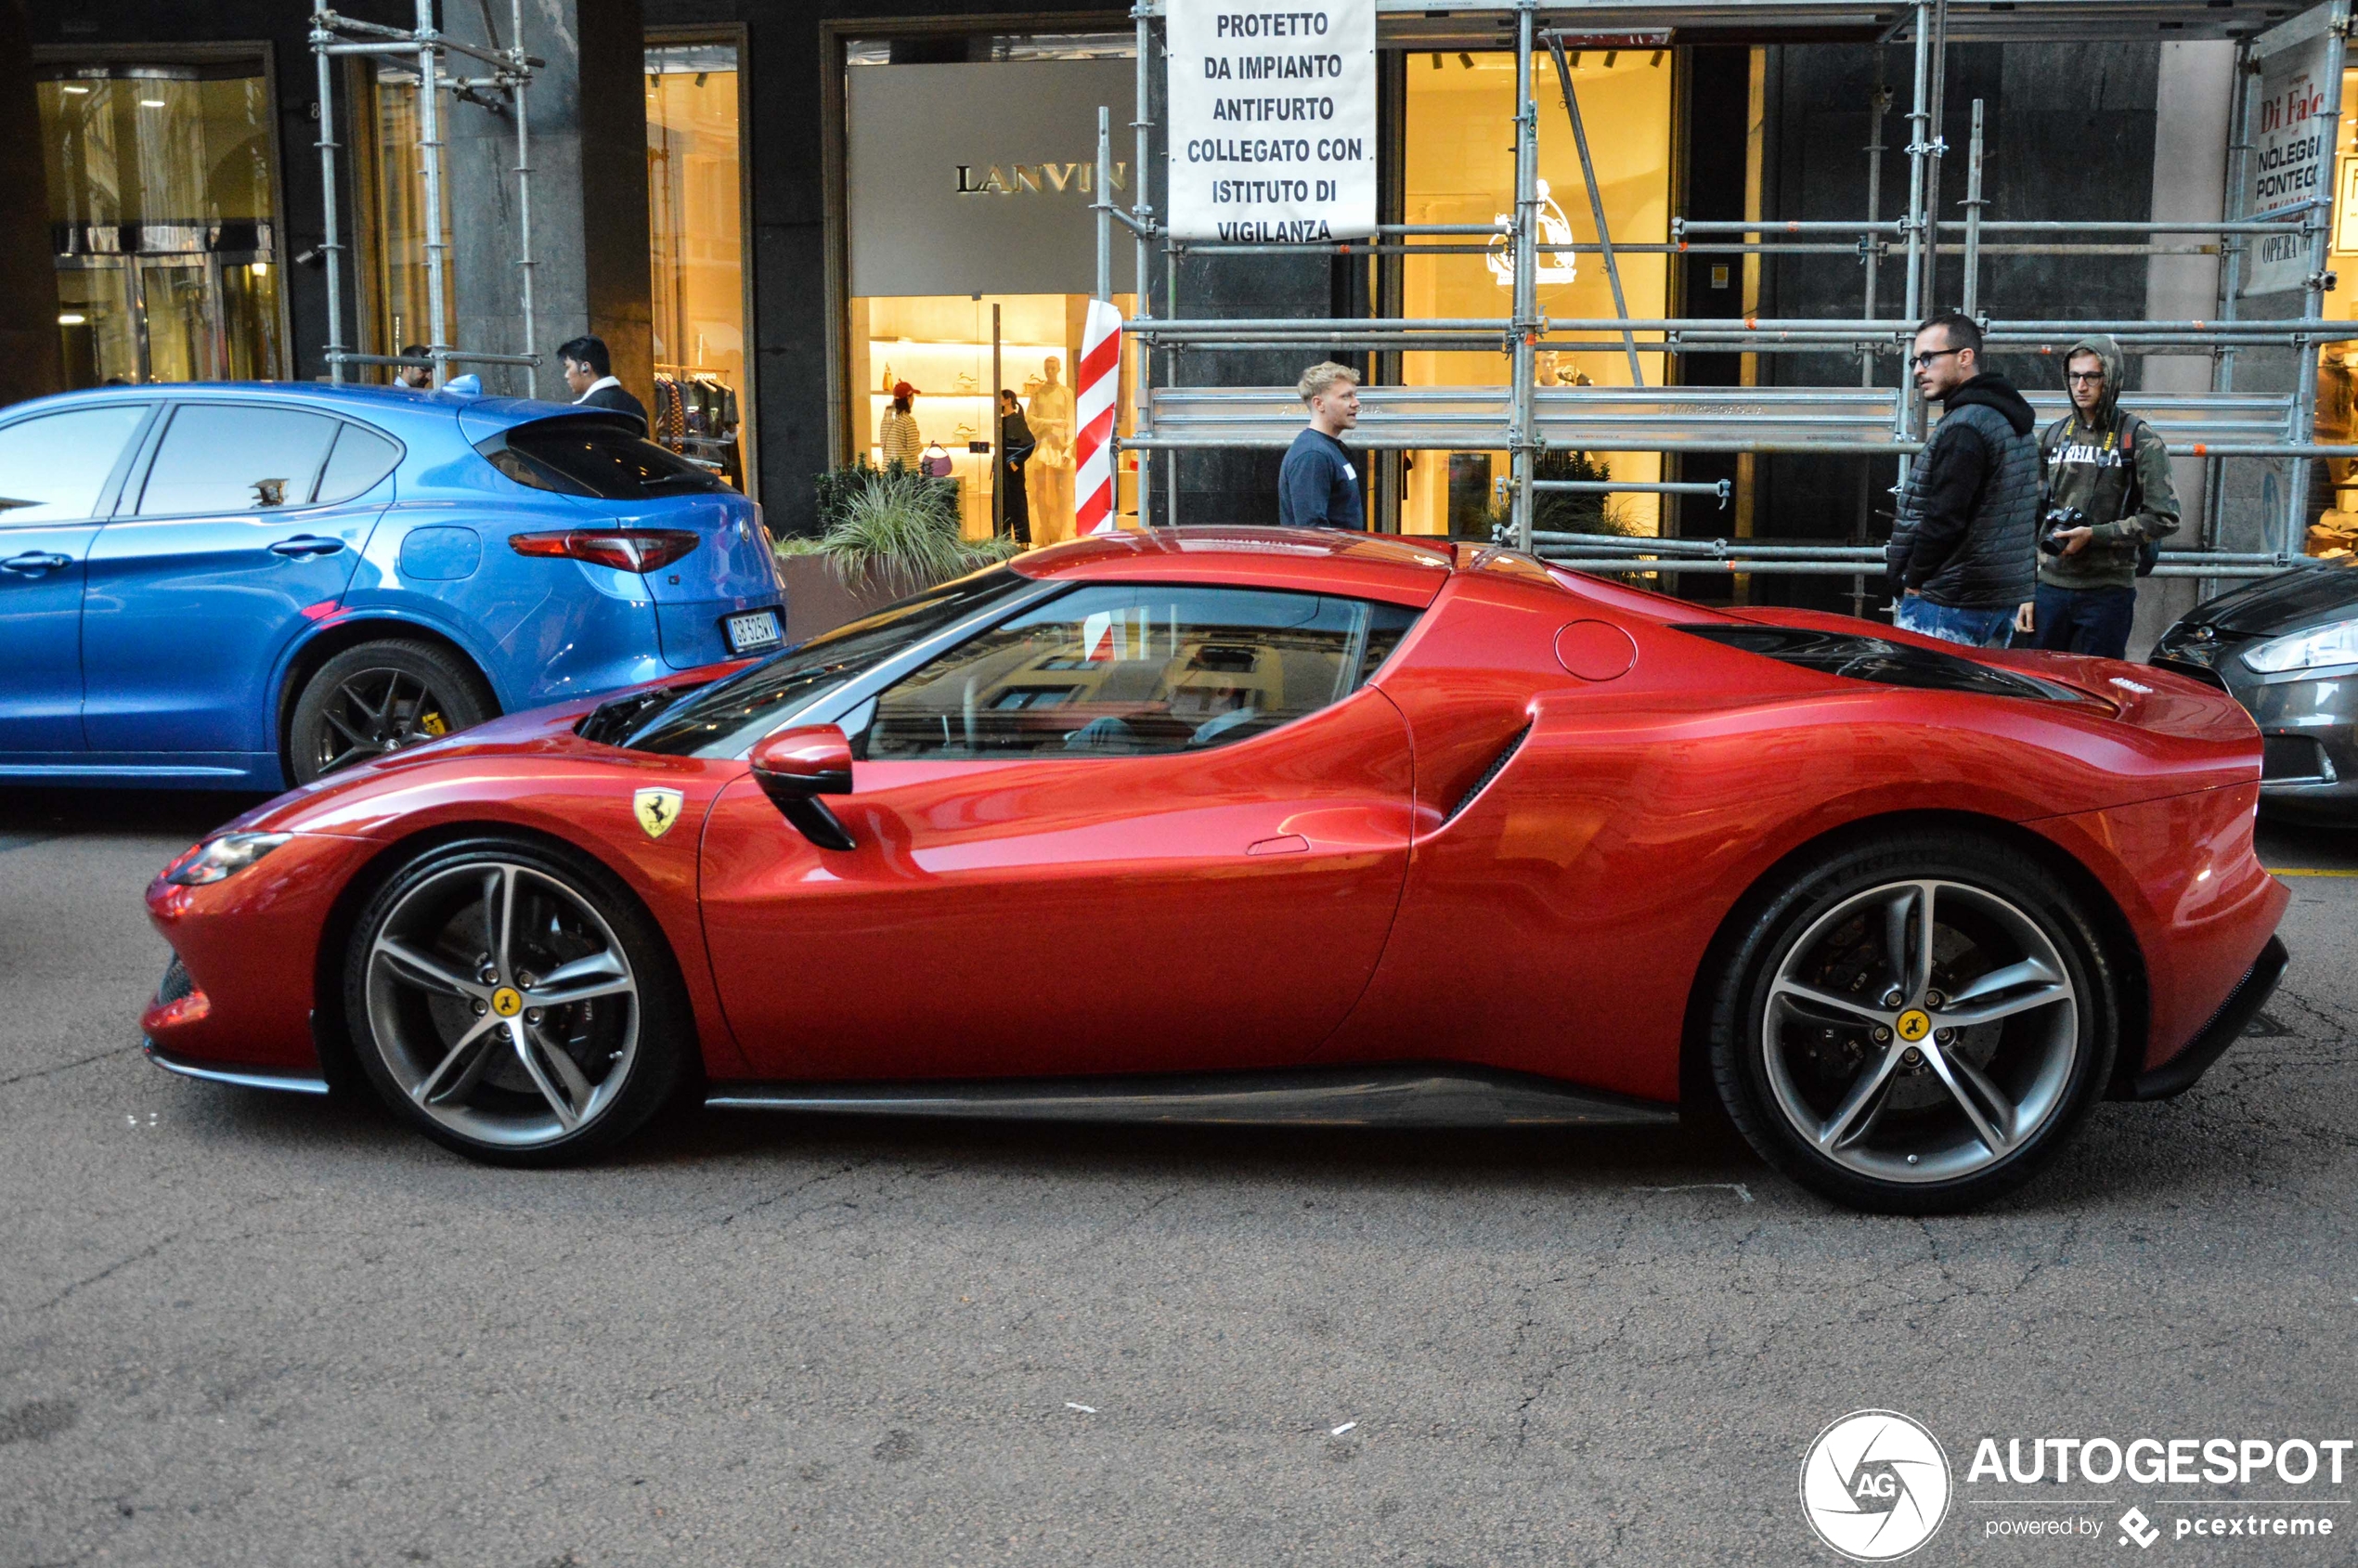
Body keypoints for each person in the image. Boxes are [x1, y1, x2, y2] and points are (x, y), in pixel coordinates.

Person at [1885, 311, 2039, 647]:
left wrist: (1914, 577)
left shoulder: (1966, 426)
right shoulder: (2008, 419)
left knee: (1927, 697)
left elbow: (1944, 518)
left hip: (1949, 599)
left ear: (1965, 357)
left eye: (1927, 358)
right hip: (1996, 598)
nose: (1918, 371)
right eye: (1914, 361)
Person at [2025, 333, 2179, 659]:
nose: (2081, 386)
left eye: (2092, 376)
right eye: (2074, 376)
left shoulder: (2139, 438)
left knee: (2097, 692)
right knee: (2040, 691)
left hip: (2107, 592)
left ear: (2110, 378)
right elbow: (2028, 517)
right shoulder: (2052, 436)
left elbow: (2164, 517)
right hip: (2049, 588)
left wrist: (2095, 535)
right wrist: (2024, 590)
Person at [1277, 361, 1365, 530]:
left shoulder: (1325, 449)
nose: (1356, 403)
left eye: (1354, 395)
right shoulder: (1313, 455)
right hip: (1330, 556)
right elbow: (1313, 533)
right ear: (1319, 404)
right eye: (1345, 396)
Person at [558, 335, 648, 432]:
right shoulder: (634, 404)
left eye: (568, 367)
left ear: (585, 368)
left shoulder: (584, 411)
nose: (566, 375)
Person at [998, 389, 1035, 546]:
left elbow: (1030, 442)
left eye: (1000, 398)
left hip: (1013, 471)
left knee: (1017, 504)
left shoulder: (1017, 420)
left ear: (1007, 400)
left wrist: (1016, 462)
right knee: (1002, 505)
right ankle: (1003, 540)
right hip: (1002, 470)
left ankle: (1023, 541)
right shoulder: (1001, 421)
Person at [877, 381, 923, 471]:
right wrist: (919, 444)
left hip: (888, 469)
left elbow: (883, 446)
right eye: (912, 396)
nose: (913, 400)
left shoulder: (885, 420)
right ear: (908, 398)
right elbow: (913, 449)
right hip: (906, 471)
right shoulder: (908, 421)